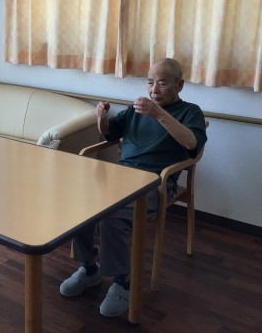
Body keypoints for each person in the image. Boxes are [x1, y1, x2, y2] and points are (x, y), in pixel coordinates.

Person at [60, 58, 207, 317]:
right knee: (81, 204)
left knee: (111, 217)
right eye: (150, 82)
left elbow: (192, 144)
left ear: (179, 85)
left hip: (155, 183)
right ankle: (90, 269)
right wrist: (101, 118)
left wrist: (159, 114)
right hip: (120, 176)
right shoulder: (136, 109)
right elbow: (110, 133)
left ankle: (123, 281)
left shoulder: (190, 112)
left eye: (162, 83)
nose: (154, 89)